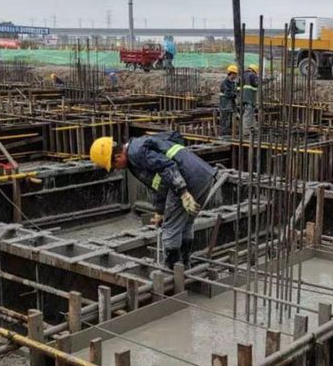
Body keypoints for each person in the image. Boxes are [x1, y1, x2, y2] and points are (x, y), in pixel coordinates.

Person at [90, 132, 218, 269]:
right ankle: (185, 265)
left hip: (187, 179)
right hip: (203, 175)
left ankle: (172, 270)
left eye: (114, 166)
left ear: (118, 156)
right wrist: (160, 211)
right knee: (185, 222)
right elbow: (158, 183)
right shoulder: (137, 148)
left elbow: (167, 167)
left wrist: (183, 192)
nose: (117, 169)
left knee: (170, 228)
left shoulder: (136, 153)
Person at [219, 64, 239, 136]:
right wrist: (236, 94)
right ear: (231, 73)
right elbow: (228, 94)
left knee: (230, 122)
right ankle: (224, 137)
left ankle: (229, 135)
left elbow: (233, 93)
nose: (236, 76)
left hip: (231, 106)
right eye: (235, 74)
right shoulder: (225, 83)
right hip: (225, 106)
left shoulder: (233, 83)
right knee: (225, 122)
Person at [241, 64, 259, 131]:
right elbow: (257, 83)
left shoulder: (243, 75)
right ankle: (246, 130)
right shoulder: (252, 75)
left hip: (245, 98)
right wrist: (266, 80)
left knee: (250, 114)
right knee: (248, 114)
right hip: (250, 98)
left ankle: (252, 128)